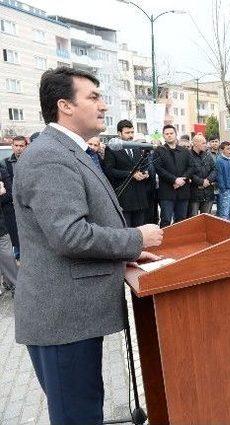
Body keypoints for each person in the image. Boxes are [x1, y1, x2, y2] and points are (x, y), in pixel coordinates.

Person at [12, 67, 163, 425]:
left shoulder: (69, 150)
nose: (104, 106)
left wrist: (129, 252)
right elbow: (70, 235)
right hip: (62, 319)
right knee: (77, 416)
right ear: (64, 106)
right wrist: (136, 237)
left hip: (71, 317)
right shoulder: (51, 155)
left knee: (84, 410)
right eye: (93, 97)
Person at [103, 119, 149, 227]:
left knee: (140, 230)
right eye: (127, 133)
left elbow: (141, 166)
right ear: (119, 133)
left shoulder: (137, 147)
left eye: (132, 132)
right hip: (124, 198)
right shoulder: (112, 149)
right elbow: (109, 171)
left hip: (140, 198)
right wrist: (130, 174)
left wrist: (145, 173)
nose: (131, 135)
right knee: (127, 230)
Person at [155, 125, 193, 227]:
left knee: (181, 220)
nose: (169, 136)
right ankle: (165, 242)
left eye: (171, 133)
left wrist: (182, 180)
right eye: (166, 134)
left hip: (183, 191)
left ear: (176, 134)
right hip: (167, 192)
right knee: (166, 220)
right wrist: (174, 180)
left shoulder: (185, 151)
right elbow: (159, 169)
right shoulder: (159, 151)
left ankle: (179, 242)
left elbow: (192, 167)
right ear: (163, 136)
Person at [1, 135, 26, 258]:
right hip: (11, 205)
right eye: (16, 145)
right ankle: (17, 254)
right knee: (14, 232)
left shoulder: (30, 161)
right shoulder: (5, 163)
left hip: (27, 203)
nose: (19, 148)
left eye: (21, 146)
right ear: (12, 146)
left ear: (26, 146)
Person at [188, 134, 217, 217]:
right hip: (194, 193)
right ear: (196, 143)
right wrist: (201, 182)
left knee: (206, 219)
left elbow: (214, 169)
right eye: (203, 143)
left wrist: (208, 180)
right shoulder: (188, 155)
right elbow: (189, 172)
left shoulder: (208, 155)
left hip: (208, 192)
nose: (206, 145)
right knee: (193, 220)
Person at [0, 178, 18, 296]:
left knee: (7, 256)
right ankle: (9, 282)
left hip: (1, 229)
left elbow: (6, 193)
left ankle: (16, 284)